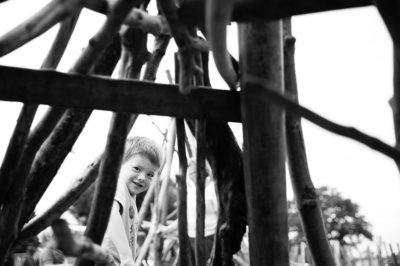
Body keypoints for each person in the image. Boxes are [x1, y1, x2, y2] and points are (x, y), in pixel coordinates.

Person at [101, 136, 162, 266]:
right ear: (119, 165)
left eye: (150, 175)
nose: (142, 178)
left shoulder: (130, 196)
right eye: (137, 169)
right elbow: (109, 214)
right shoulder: (118, 185)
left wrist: (132, 249)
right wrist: (126, 256)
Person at [158, 157, 218, 265]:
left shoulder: (213, 189)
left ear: (203, 170)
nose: (191, 175)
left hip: (208, 239)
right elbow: (184, 217)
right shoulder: (191, 191)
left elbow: (221, 217)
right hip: (190, 238)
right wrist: (165, 230)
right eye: (189, 172)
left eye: (194, 171)